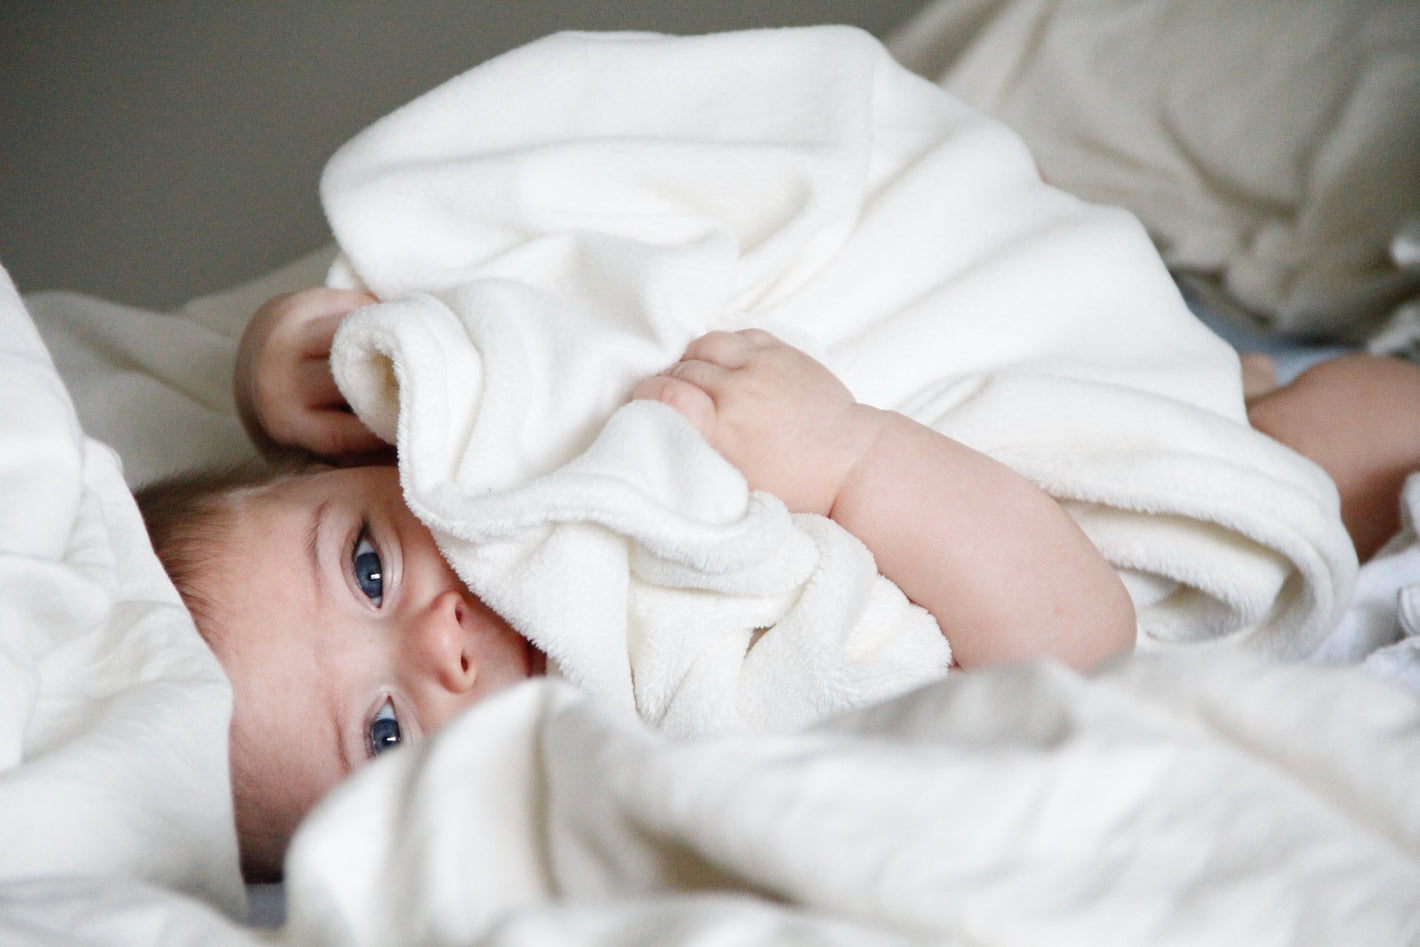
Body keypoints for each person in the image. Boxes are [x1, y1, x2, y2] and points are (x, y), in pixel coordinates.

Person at [141, 287, 1420, 880]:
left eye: (366, 564)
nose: (439, 647)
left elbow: (459, 321)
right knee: (1335, 443)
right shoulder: (675, 725)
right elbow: (1077, 649)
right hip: (1058, 527)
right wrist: (850, 457)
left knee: (1231, 385)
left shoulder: (506, 455)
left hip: (1011, 362)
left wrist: (291, 359)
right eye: (384, 729)